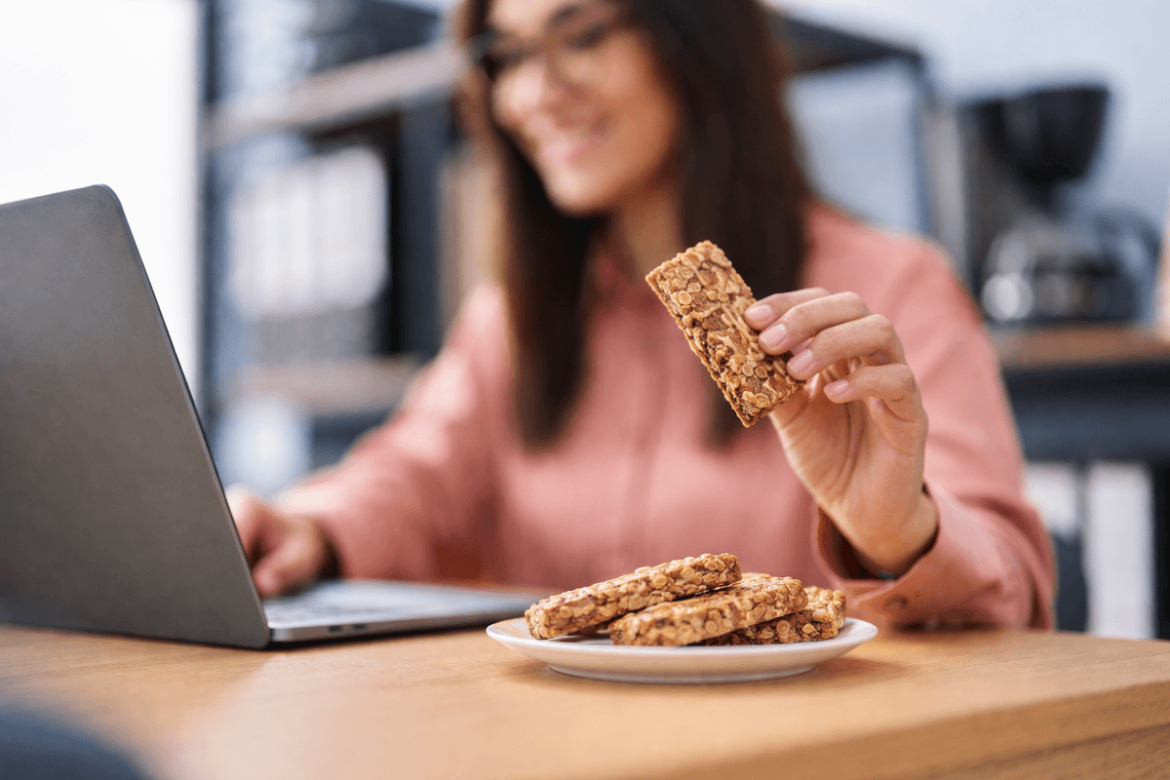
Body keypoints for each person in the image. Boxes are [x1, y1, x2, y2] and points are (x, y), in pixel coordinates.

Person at [228, 0, 1055, 630]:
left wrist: (897, 529)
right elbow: (413, 475)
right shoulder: (512, 320)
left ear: (693, 38)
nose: (534, 93)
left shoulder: (889, 291)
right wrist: (311, 528)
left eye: (581, 35)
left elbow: (1010, 587)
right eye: (507, 56)